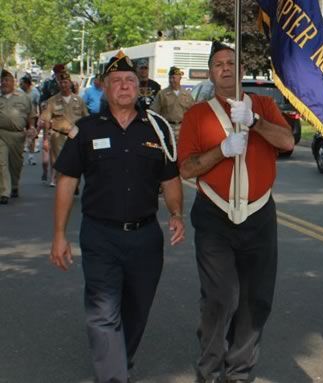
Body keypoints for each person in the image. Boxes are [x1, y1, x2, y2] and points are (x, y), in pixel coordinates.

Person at [49, 50, 185, 383]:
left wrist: (177, 213)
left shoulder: (157, 129)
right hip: (100, 236)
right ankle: (113, 376)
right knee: (103, 313)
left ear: (138, 88)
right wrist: (59, 234)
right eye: (116, 82)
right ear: (105, 89)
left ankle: (119, 361)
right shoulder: (87, 130)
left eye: (130, 81)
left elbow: (170, 178)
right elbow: (67, 180)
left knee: (136, 311)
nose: (124, 86)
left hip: (145, 238)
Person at [177, 41, 294, 383]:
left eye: (232, 62)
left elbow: (286, 141)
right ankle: (210, 368)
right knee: (220, 297)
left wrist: (255, 121)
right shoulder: (196, 115)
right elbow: (186, 168)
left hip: (259, 216)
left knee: (256, 300)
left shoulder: (264, 104)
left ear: (242, 70)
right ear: (211, 72)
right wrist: (223, 150)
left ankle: (239, 371)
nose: (226, 68)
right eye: (218, 64)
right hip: (215, 215)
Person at [40, 71, 88, 186]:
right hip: (58, 136)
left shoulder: (79, 100)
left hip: (76, 136)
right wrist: (46, 139)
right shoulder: (52, 101)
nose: (63, 85)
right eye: (61, 83)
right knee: (59, 162)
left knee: (75, 161)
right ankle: (62, 185)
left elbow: (86, 118)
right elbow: (46, 120)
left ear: (70, 83)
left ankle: (74, 184)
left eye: (66, 82)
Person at [0, 69, 36, 204]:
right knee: (1, 163)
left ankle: (14, 186)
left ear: (13, 82)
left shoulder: (23, 98)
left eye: (6, 80)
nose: (3, 83)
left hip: (17, 136)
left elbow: (31, 116)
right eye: (2, 80)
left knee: (16, 164)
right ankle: (4, 192)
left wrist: (31, 128)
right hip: (1, 134)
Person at [150, 66, 194, 140]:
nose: (171, 80)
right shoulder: (162, 94)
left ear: (180, 78)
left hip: (183, 127)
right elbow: (154, 112)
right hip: (167, 126)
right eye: (170, 78)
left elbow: (192, 113)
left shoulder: (187, 94)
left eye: (174, 78)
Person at [20, 74, 41, 165]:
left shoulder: (35, 92)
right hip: (21, 117)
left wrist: (40, 115)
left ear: (27, 84)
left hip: (32, 117)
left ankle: (31, 157)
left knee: (31, 136)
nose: (21, 85)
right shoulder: (18, 92)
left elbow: (39, 104)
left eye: (22, 84)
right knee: (21, 136)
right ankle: (20, 158)